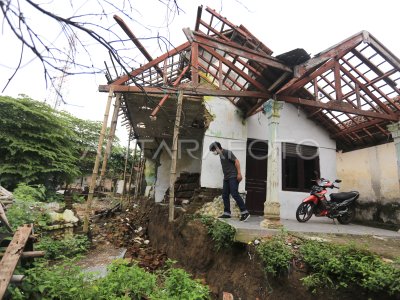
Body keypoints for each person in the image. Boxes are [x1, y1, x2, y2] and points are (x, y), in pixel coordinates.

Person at [209, 141, 250, 222]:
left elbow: (237, 161)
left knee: (234, 193)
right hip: (227, 178)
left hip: (233, 176)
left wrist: (239, 173)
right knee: (225, 194)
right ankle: (227, 213)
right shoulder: (220, 155)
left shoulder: (228, 152)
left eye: (213, 150)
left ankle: (245, 212)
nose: (213, 152)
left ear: (217, 148)